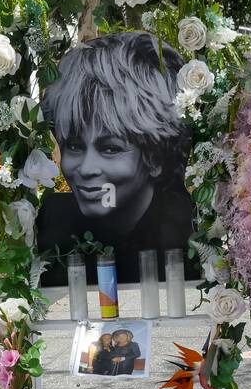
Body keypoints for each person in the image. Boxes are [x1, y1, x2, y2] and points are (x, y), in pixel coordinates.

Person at [37, 32, 194, 282]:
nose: (87, 169)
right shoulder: (55, 226)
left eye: (110, 149)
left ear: (154, 156)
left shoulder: (186, 233)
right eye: (75, 146)